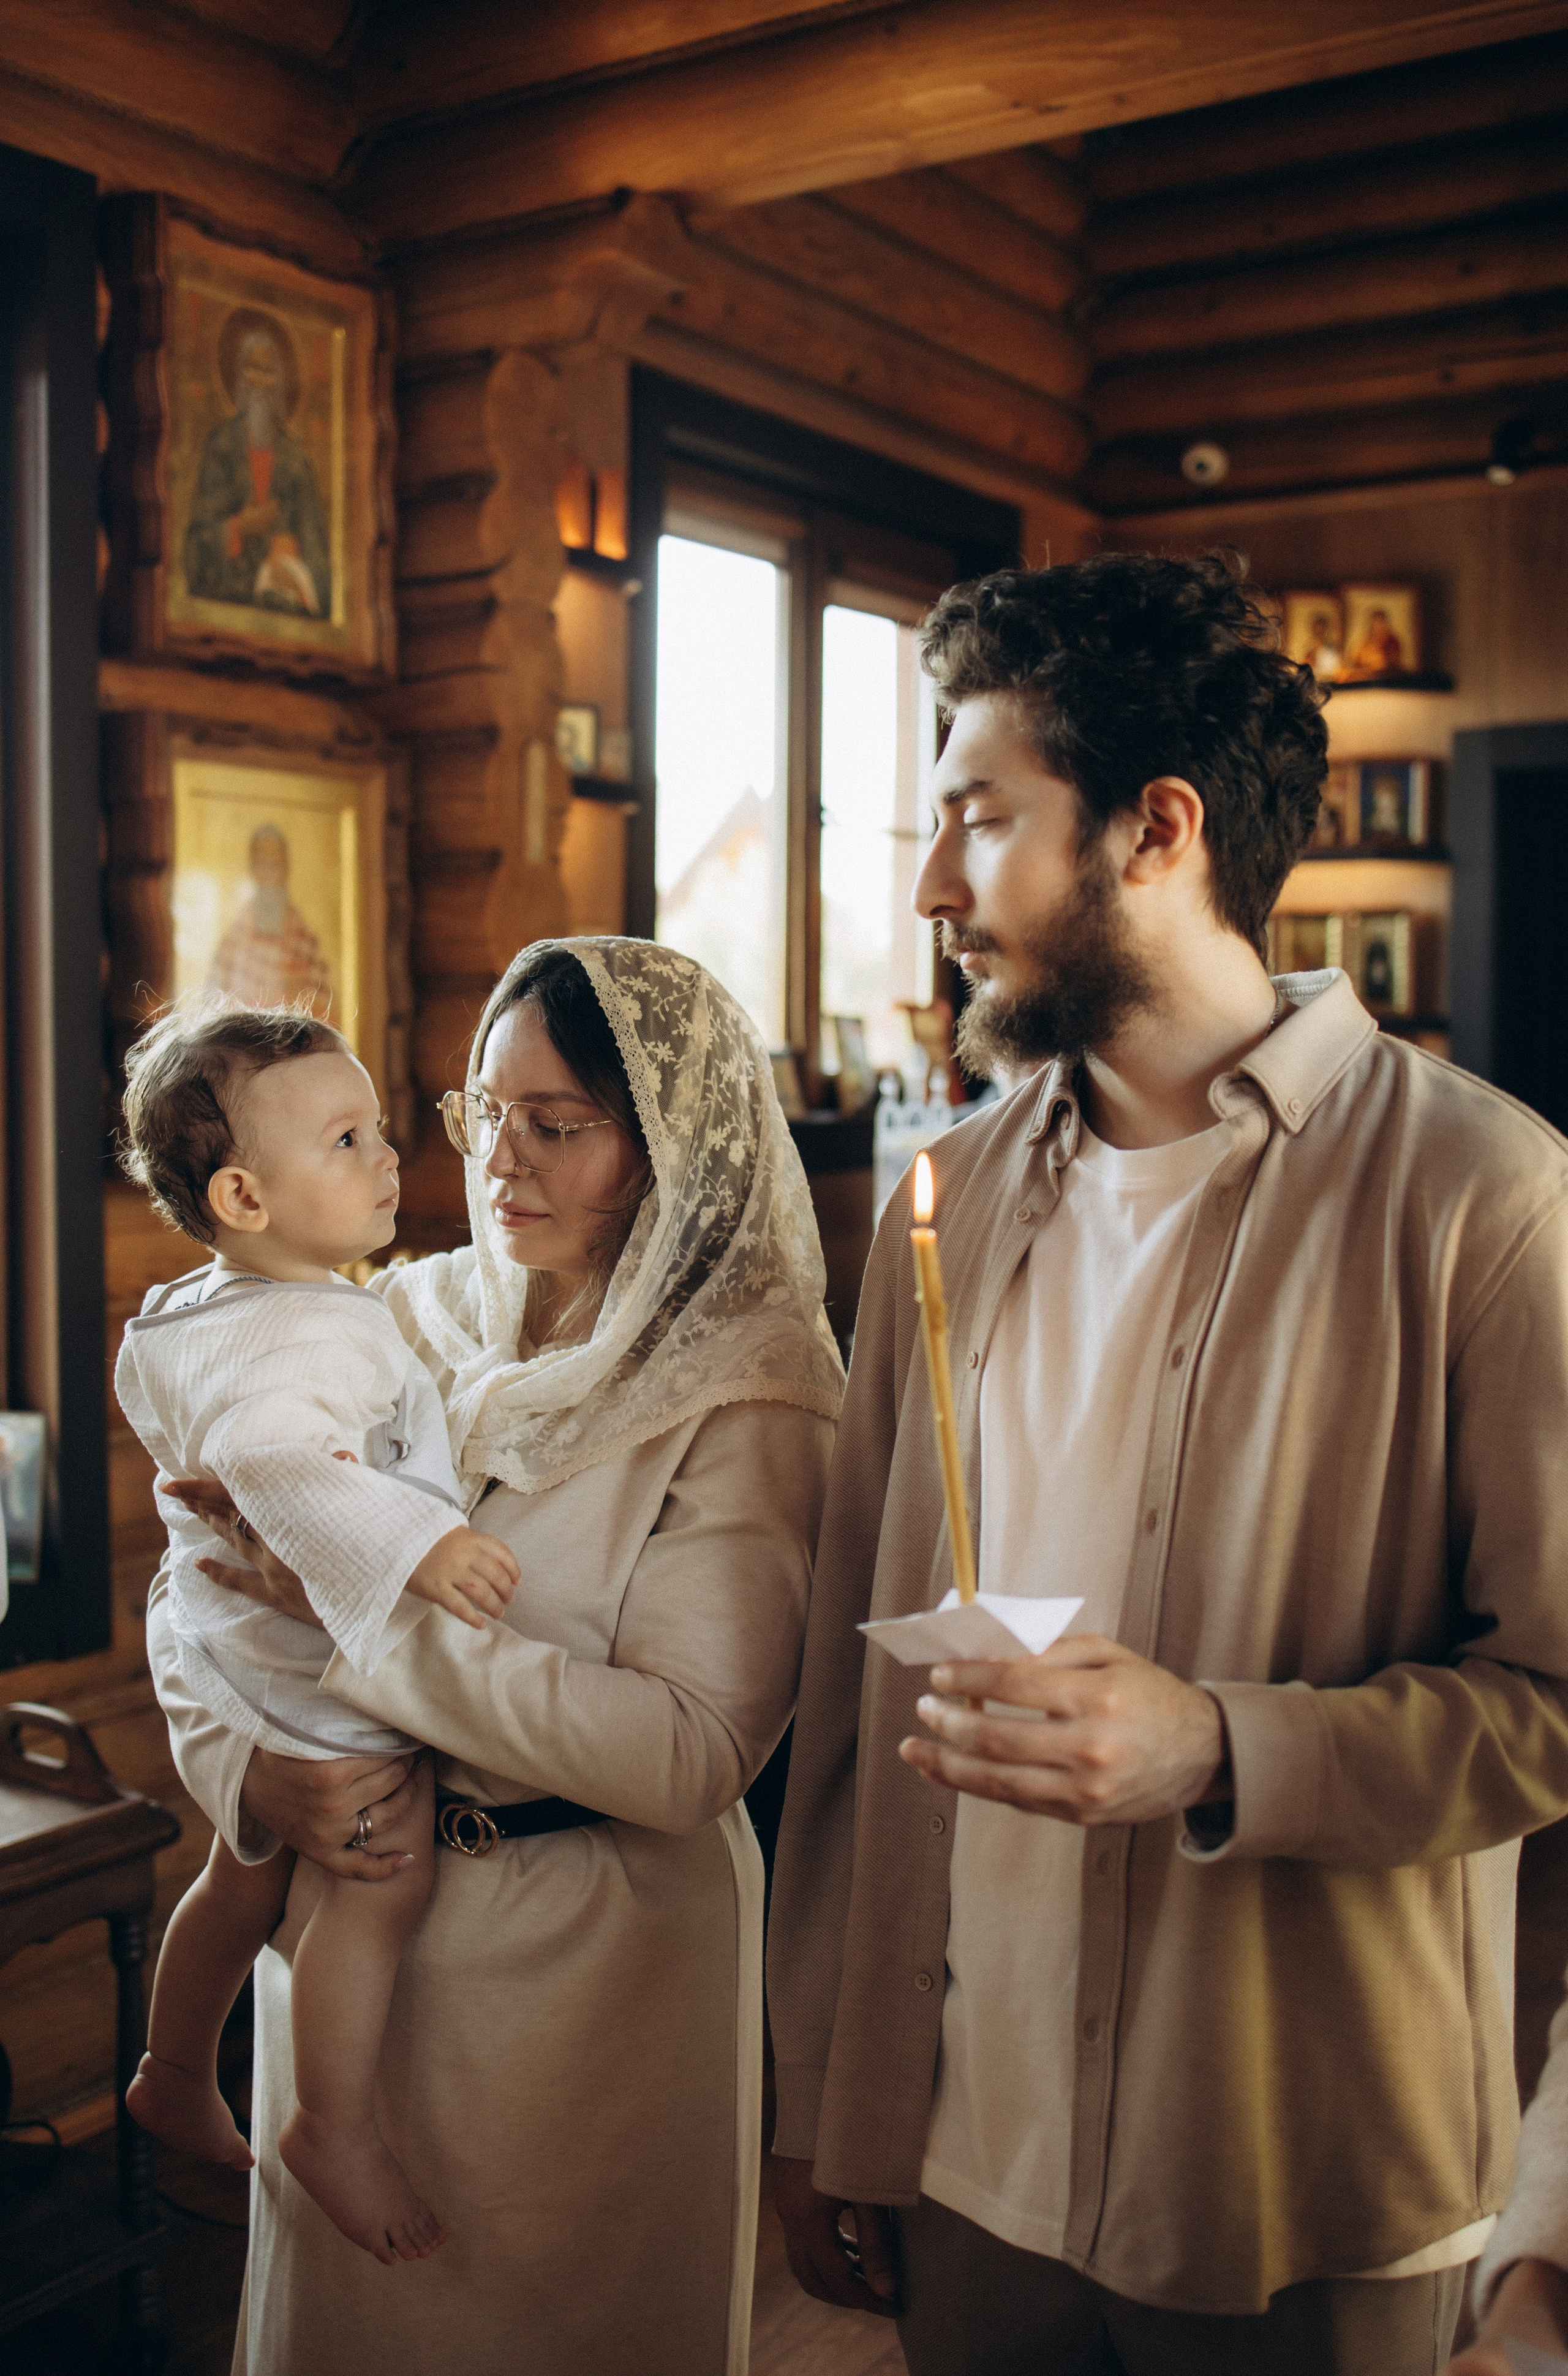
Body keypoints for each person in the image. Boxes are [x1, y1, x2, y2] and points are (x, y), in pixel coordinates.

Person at [766, 552, 1568, 2375]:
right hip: (963, 2153)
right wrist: (819, 2080)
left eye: (980, 815)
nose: (930, 885)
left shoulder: (1484, 1197)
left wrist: (1217, 1743)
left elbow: (1553, 1702)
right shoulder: (937, 1202)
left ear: (1157, 829)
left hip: (1300, 2176)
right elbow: (847, 1679)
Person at [145, 936, 844, 2375]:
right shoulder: (393, 1313)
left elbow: (685, 1753)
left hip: (586, 1982)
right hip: (347, 1950)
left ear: (663, 1147)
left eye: (559, 1124)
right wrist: (249, 1777)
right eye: (483, 1112)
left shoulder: (745, 1389)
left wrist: (367, 1626)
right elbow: (199, 1584)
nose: (502, 1161)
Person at [116, 1000, 520, 2263]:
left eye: (380, 1128)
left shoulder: (190, 1305)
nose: (391, 1156)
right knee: (380, 1875)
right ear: (243, 1193)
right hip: (298, 1665)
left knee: (239, 1875)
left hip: (226, 1650)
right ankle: (331, 2124)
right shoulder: (314, 1325)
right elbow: (272, 1457)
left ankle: (172, 2064)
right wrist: (422, 1544)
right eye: (347, 1139)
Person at [186, 316, 331, 618]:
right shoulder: (221, 447)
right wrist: (240, 528)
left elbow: (320, 559)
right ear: (238, 375)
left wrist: (294, 561)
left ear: (281, 381)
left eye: (269, 372)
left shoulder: (295, 461)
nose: (259, 382)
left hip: (287, 604)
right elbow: (194, 552)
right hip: (229, 601)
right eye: (252, 368)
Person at [206, 825, 334, 1014]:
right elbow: (213, 1010)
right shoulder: (232, 945)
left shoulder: (305, 943)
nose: (268, 875)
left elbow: (325, 1013)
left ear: (286, 869)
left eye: (274, 865)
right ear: (252, 869)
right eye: (261, 864)